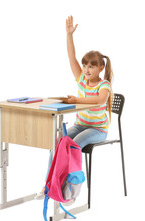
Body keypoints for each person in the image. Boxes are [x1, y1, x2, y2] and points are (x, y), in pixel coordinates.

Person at [36, 16, 113, 200]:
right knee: (56, 145)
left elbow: (100, 101)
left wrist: (78, 98)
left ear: (100, 68)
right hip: (80, 124)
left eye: (91, 67)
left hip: (97, 129)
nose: (86, 70)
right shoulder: (82, 81)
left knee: (72, 145)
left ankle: (69, 188)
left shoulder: (104, 85)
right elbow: (71, 57)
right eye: (85, 66)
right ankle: (48, 186)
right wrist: (69, 35)